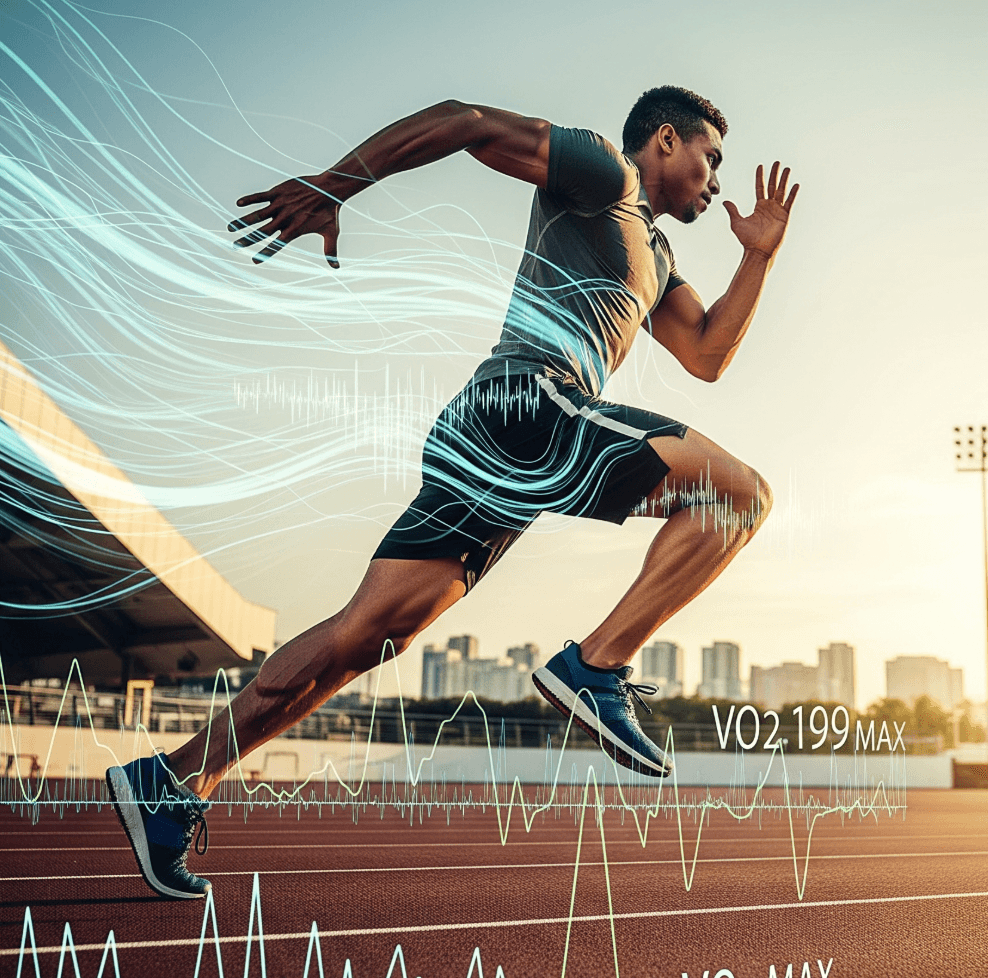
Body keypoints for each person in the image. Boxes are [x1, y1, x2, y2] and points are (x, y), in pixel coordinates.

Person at [106, 87, 798, 898]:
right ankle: (596, 667)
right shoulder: (606, 175)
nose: (718, 180)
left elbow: (708, 353)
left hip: (492, 439)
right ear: (667, 142)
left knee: (364, 636)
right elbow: (464, 123)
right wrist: (337, 183)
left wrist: (759, 256)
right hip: (531, 403)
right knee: (738, 496)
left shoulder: (657, 255)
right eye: (711, 158)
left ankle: (174, 780)